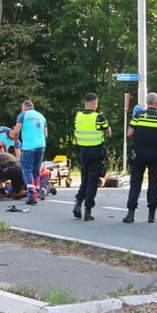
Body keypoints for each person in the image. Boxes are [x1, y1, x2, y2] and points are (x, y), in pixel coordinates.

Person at [124, 92, 157, 224]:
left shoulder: (139, 116)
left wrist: (137, 140)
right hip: (155, 153)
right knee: (153, 183)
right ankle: (151, 215)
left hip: (139, 152)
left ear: (147, 103)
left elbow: (129, 133)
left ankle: (131, 213)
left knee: (135, 183)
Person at [73, 92, 111, 221]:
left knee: (84, 178)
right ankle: (88, 211)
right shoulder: (99, 118)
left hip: (83, 151)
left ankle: (77, 203)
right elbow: (108, 132)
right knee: (93, 181)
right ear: (95, 104)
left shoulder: (78, 116)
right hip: (96, 151)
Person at [11, 101, 47, 206]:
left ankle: (31, 195)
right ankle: (36, 193)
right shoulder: (42, 116)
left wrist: (16, 141)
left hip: (28, 147)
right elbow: (46, 134)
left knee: (27, 170)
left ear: (23, 108)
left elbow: (16, 131)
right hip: (41, 146)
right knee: (36, 170)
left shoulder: (23, 115)